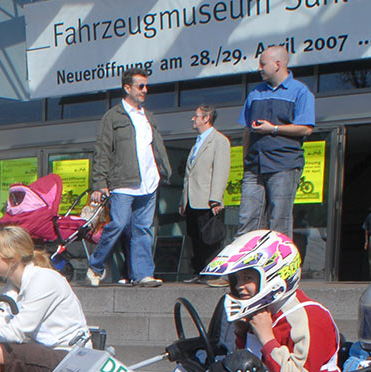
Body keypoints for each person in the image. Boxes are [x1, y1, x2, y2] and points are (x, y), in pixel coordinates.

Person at [198, 229, 339, 372]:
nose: (239, 286)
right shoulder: (261, 312)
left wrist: (267, 339)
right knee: (188, 369)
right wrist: (242, 334)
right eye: (237, 279)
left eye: (247, 278)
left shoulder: (311, 315)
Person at [0, 227, 90, 372]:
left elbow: (17, 332)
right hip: (42, 353)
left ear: (12, 257)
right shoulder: (13, 284)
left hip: (70, 358)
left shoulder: (43, 280)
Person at [86, 69, 170, 288]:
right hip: (123, 182)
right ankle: (95, 265)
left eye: (146, 86)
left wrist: (164, 171)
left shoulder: (148, 116)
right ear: (127, 88)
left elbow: (156, 147)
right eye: (140, 86)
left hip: (149, 182)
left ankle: (143, 274)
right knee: (118, 224)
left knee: (143, 228)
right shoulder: (113, 117)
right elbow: (102, 151)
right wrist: (100, 183)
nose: (145, 90)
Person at [236, 45, 315, 239]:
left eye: (263, 64)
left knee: (278, 221)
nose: (259, 68)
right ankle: (245, 268)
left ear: (277, 64)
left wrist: (274, 129)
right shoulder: (255, 93)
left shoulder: (300, 92)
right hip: (254, 167)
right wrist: (246, 160)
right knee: (246, 220)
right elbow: (247, 130)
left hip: (284, 166)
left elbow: (306, 128)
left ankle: (277, 267)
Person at [181, 104, 231, 275]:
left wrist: (216, 198)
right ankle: (199, 272)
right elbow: (189, 175)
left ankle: (212, 272)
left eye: (196, 116)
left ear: (206, 118)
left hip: (206, 199)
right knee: (194, 238)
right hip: (192, 200)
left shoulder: (219, 141)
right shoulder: (197, 142)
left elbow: (220, 171)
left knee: (209, 238)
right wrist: (183, 200)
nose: (193, 119)